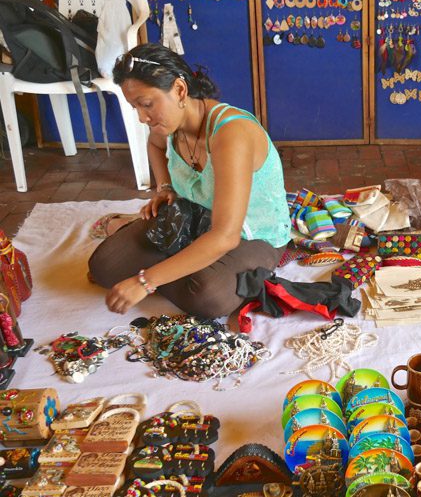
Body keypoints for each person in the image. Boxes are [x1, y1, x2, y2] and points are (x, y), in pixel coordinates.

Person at [88, 43, 291, 318]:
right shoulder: (169, 125)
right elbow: (155, 145)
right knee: (104, 266)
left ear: (180, 90)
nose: (141, 117)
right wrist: (165, 187)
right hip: (194, 219)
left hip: (249, 235)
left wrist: (144, 281)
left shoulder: (231, 134)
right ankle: (184, 262)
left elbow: (225, 235)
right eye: (134, 107)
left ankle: (177, 264)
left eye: (146, 104)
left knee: (207, 295)